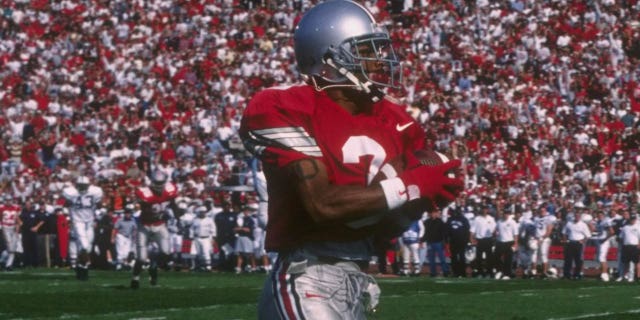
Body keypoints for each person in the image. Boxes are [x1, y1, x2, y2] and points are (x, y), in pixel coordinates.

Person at [240, 1, 463, 318]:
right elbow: (322, 205)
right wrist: (411, 186)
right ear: (329, 58)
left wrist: (415, 206)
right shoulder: (286, 105)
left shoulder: (396, 120)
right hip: (307, 274)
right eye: (366, 50)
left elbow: (380, 229)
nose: (379, 60)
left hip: (356, 275)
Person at [130, 170, 179, 289]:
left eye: (161, 182)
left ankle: (154, 264)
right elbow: (135, 206)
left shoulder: (170, 190)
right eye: (156, 183)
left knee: (166, 252)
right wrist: (136, 204)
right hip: (144, 227)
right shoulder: (144, 193)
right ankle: (135, 277)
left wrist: (176, 212)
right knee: (141, 258)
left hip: (160, 225)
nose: (158, 186)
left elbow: (173, 203)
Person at [62, 175, 104, 280]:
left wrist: (100, 211)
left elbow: (99, 204)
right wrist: (67, 214)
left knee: (87, 248)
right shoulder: (70, 193)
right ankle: (84, 269)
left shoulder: (95, 192)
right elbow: (65, 205)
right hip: (78, 221)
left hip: (89, 222)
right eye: (80, 186)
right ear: (76, 185)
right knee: (84, 246)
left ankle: (81, 267)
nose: (82, 188)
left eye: (84, 185)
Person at [561, 210, 591, 280]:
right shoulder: (569, 223)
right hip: (570, 242)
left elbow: (588, 235)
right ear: (574, 216)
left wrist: (582, 241)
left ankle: (577, 274)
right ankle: (567, 274)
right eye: (576, 216)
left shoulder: (583, 225)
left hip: (578, 243)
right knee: (568, 260)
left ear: (580, 217)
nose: (577, 217)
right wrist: (565, 241)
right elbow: (564, 232)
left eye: (578, 216)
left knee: (578, 260)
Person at [530, 204, 557, 278]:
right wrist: (534, 238)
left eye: (543, 210)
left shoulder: (549, 218)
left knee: (543, 254)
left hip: (544, 239)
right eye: (541, 210)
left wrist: (542, 238)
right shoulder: (536, 218)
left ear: (546, 211)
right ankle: (533, 272)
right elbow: (534, 230)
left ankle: (544, 272)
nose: (542, 212)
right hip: (536, 238)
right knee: (533, 255)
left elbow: (549, 230)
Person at [470, 204, 496, 278]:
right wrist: (471, 239)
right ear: (481, 210)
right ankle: (480, 273)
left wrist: (494, 235)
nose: (484, 210)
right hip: (480, 240)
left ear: (487, 210)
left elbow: (494, 229)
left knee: (489, 257)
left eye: (486, 209)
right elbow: (472, 230)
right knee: (479, 258)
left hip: (488, 240)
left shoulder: (491, 218)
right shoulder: (477, 219)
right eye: (483, 209)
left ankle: (489, 272)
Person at [446, 206, 471, 278]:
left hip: (462, 242)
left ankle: (463, 273)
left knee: (462, 257)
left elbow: (467, 231)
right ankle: (455, 272)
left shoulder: (464, 220)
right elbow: (447, 231)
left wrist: (467, 241)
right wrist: (447, 241)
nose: (457, 213)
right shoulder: (450, 219)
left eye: (458, 211)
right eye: (456, 211)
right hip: (453, 241)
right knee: (454, 258)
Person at [423, 208, 449, 277]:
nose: (434, 214)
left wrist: (445, 242)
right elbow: (424, 233)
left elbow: (444, 233)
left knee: (442, 258)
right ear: (430, 213)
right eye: (433, 212)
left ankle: (445, 271)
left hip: (438, 242)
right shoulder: (426, 222)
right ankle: (433, 272)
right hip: (430, 242)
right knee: (431, 259)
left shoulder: (440, 222)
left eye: (435, 212)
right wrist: (423, 240)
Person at [494, 209, 518, 280]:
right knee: (497, 257)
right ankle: (499, 271)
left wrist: (515, 244)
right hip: (500, 242)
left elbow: (516, 234)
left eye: (507, 213)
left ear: (509, 214)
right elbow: (496, 231)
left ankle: (507, 274)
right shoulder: (499, 222)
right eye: (505, 213)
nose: (506, 215)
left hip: (509, 242)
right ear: (503, 214)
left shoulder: (513, 222)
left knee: (508, 259)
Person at [190, 206, 216, 271]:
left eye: (204, 212)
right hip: (197, 238)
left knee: (206, 252)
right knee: (199, 253)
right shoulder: (195, 220)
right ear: (199, 212)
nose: (203, 213)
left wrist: (213, 237)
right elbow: (191, 229)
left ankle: (208, 267)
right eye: (201, 212)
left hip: (206, 238)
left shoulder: (209, 220)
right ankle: (201, 266)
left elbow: (213, 229)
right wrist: (191, 236)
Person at [111, 205, 137, 271]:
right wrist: (112, 238)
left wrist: (134, 238)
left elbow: (135, 230)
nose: (128, 214)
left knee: (126, 252)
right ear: (125, 214)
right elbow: (114, 229)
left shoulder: (133, 221)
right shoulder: (120, 220)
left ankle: (124, 264)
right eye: (127, 213)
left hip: (128, 237)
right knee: (120, 251)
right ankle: (119, 264)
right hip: (120, 236)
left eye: (129, 213)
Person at [592, 210, 615, 281]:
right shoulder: (598, 222)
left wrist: (605, 239)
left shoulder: (606, 221)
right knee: (599, 258)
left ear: (603, 215)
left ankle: (605, 274)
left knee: (602, 258)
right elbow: (598, 232)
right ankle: (603, 273)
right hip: (599, 241)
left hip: (604, 241)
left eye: (601, 215)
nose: (599, 216)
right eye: (598, 215)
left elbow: (612, 232)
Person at [616, 214, 640, 282]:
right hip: (626, 246)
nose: (632, 221)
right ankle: (622, 276)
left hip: (634, 246)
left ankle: (631, 277)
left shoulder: (638, 227)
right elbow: (621, 237)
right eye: (631, 219)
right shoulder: (625, 227)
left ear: (635, 220)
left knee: (633, 262)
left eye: (633, 219)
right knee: (624, 262)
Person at [234, 205, 257, 274]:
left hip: (248, 238)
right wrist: (242, 229)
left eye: (248, 210)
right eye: (245, 210)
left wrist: (241, 229)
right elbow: (235, 229)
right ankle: (238, 267)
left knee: (250, 253)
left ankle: (253, 267)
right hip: (240, 237)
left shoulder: (250, 220)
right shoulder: (239, 219)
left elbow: (249, 230)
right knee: (240, 253)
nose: (246, 212)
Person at [1, 195, 21, 270]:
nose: (8, 202)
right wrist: (2, 227)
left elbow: (18, 219)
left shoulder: (16, 208)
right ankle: (2, 260)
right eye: (7, 200)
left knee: (13, 248)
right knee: (10, 247)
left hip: (13, 228)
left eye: (9, 200)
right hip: (5, 227)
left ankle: (8, 265)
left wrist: (17, 228)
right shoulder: (2, 208)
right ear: (5, 200)